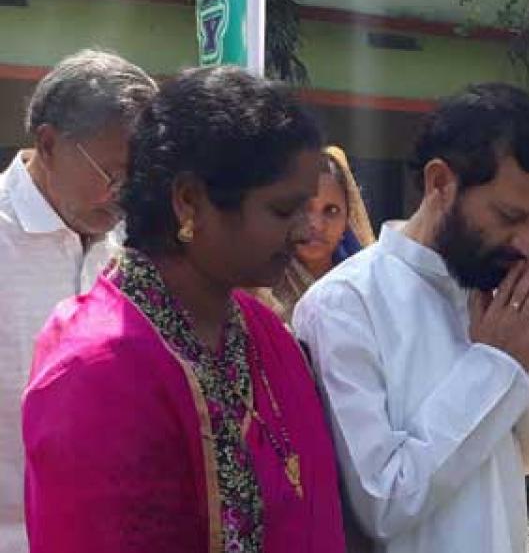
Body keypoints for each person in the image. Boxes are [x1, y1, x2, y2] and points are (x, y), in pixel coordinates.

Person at [23, 66, 345, 553]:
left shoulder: (263, 332)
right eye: (283, 211)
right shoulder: (97, 371)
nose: (304, 232)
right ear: (190, 201)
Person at [293, 82, 529, 553]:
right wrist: (495, 365)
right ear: (440, 182)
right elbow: (382, 503)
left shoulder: (495, 288)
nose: (525, 243)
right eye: (509, 216)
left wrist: (528, 356)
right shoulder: (345, 305)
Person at [0, 49, 156, 552]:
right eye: (114, 175)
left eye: (140, 179)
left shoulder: (137, 249)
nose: (125, 196)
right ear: (48, 144)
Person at [259, 145, 375, 323]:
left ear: (347, 221)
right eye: (304, 208)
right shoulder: (261, 289)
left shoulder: (365, 288)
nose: (316, 225)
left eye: (331, 210)